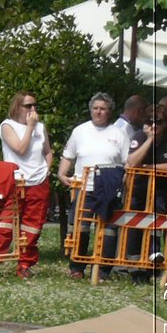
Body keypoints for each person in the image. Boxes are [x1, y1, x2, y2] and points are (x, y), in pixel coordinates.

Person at [58, 93, 131, 277]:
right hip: (84, 188)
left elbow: (127, 163)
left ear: (109, 111)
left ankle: (102, 271)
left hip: (109, 189)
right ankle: (77, 268)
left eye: (103, 109)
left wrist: (122, 183)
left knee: (108, 232)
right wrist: (61, 174)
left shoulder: (119, 134)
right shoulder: (80, 131)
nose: (99, 112)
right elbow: (68, 155)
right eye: (95, 108)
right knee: (79, 229)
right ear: (91, 110)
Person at [125, 97, 167, 276]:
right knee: (136, 224)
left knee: (162, 224)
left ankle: (161, 263)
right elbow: (132, 162)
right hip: (140, 188)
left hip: (164, 188)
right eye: (149, 121)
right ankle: (136, 265)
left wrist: (147, 167)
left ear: (166, 122)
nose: (154, 124)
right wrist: (149, 140)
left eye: (158, 121)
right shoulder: (139, 135)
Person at [0, 90, 54, 280]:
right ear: (18, 107)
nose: (33, 109)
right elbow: (20, 149)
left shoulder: (40, 127)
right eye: (28, 106)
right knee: (5, 225)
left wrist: (47, 169)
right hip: (17, 181)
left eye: (35, 105)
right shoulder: (8, 126)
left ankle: (24, 264)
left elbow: (47, 151)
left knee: (33, 226)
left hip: (39, 181)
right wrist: (29, 127)